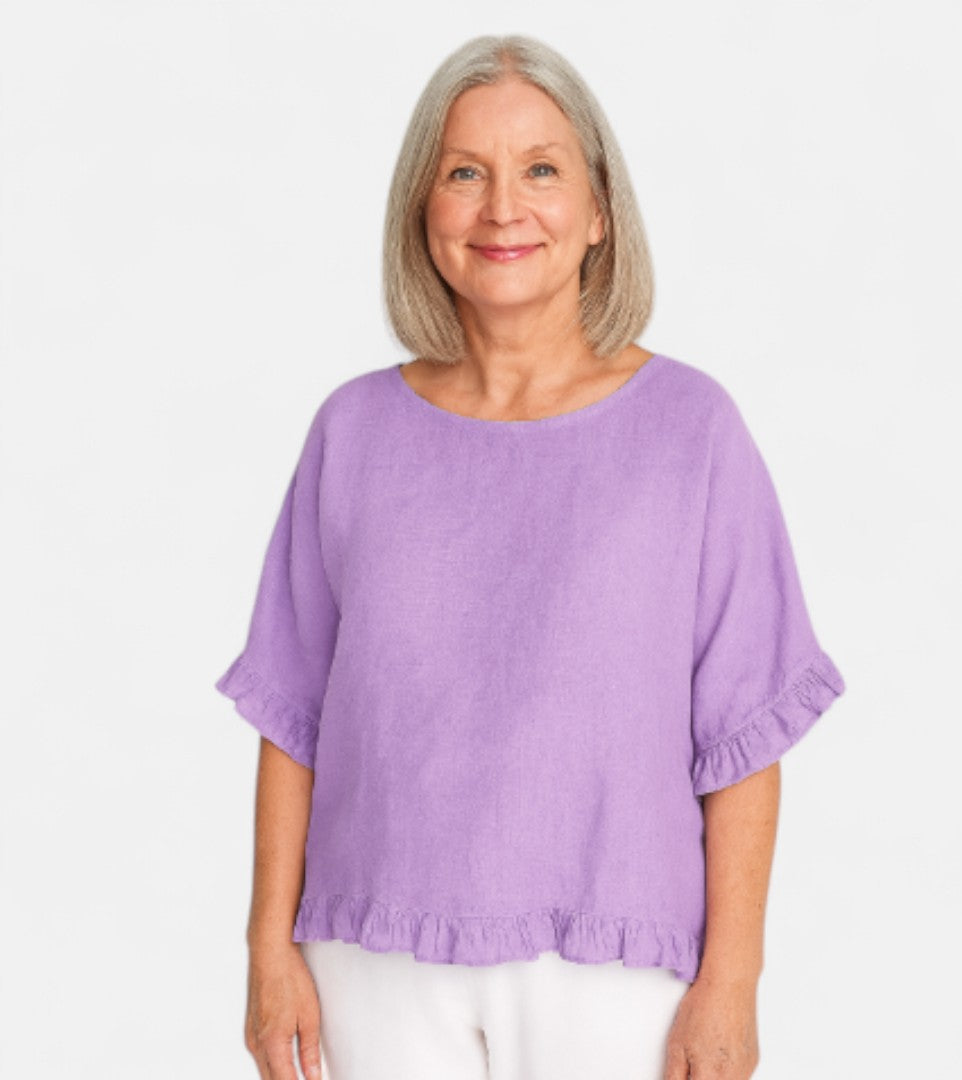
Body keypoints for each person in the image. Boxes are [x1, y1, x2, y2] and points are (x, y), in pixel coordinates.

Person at [215, 33, 846, 1080]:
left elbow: (743, 734)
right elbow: (293, 717)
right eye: (465, 173)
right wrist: (265, 949)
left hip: (615, 969)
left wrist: (733, 982)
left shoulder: (690, 431)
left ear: (600, 211)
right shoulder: (353, 433)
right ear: (422, 210)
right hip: (374, 959)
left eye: (541, 170)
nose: (503, 207)